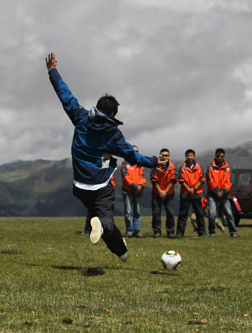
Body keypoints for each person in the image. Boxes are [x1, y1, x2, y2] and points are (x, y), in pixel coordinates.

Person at [46, 52, 166, 261]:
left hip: (80, 187)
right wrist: (155, 161)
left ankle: (122, 253)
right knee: (105, 220)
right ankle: (103, 227)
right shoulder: (113, 135)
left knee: (103, 223)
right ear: (112, 115)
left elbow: (65, 95)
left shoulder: (81, 117)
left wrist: (52, 71)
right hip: (101, 187)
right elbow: (134, 157)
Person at [206, 148, 239, 237]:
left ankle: (233, 232)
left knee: (229, 213)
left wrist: (223, 192)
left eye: (222, 156)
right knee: (212, 213)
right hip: (213, 194)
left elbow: (229, 182)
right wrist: (217, 192)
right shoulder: (210, 168)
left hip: (224, 195)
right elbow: (210, 181)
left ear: (224, 157)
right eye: (218, 156)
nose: (220, 158)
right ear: (215, 156)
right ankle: (212, 232)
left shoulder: (228, 169)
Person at [176, 149, 206, 237]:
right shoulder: (182, 167)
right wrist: (189, 189)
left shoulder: (200, 167)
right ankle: (180, 233)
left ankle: (202, 232)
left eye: (191, 155)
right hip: (185, 192)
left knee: (199, 213)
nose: (190, 157)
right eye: (188, 156)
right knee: (183, 214)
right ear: (186, 157)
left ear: (194, 156)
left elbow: (203, 178)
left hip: (197, 193)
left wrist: (194, 189)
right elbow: (180, 179)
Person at [150, 148, 177, 238]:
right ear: (160, 156)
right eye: (162, 155)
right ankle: (156, 232)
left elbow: (173, 180)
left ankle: (170, 232)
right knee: (156, 213)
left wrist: (165, 192)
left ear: (169, 157)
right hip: (156, 193)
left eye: (166, 155)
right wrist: (160, 191)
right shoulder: (155, 166)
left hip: (169, 193)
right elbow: (153, 179)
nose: (164, 157)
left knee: (170, 213)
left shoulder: (173, 167)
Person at [121, 145, 146, 238]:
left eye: (137, 151)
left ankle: (137, 231)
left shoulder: (140, 164)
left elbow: (143, 178)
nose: (135, 152)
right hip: (128, 191)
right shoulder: (125, 164)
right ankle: (129, 231)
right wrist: (135, 187)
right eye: (133, 150)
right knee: (128, 211)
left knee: (138, 212)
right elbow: (125, 178)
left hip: (138, 191)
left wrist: (140, 187)